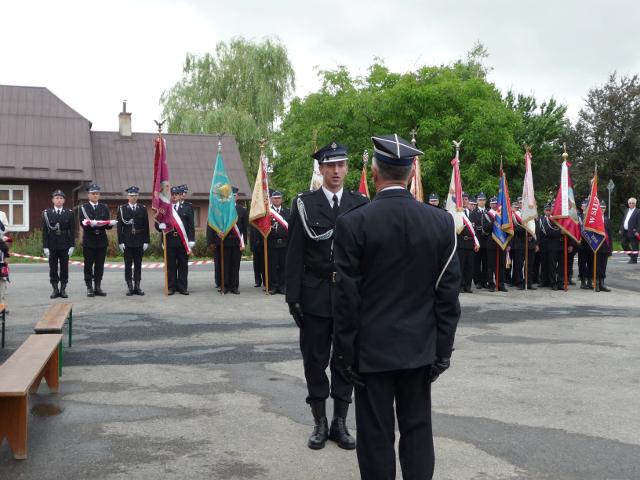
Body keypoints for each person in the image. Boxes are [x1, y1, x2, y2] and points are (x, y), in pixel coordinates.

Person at [333, 134, 461, 480]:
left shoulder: (353, 223)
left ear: (375, 172)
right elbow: (448, 295)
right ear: (411, 174)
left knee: (375, 436)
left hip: (370, 351)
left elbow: (346, 298)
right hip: (419, 349)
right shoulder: (440, 222)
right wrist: (442, 351)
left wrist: (344, 355)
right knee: (417, 430)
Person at [285, 141, 368, 450]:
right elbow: (295, 253)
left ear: (347, 168)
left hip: (349, 295)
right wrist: (293, 297)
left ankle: (340, 422)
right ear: (320, 169)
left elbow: (368, 256)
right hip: (315, 294)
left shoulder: (360, 203)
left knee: (346, 358)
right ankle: (319, 421)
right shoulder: (304, 204)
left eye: (341, 165)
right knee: (315, 360)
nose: (336, 170)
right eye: (330, 165)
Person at [80, 183, 115, 297]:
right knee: (88, 265)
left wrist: (110, 224)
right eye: (93, 193)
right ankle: (89, 287)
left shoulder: (104, 207)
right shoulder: (83, 208)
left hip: (101, 240)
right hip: (89, 240)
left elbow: (107, 226)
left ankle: (98, 287)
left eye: (97, 193)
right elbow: (83, 224)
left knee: (99, 265)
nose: (95, 195)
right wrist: (93, 224)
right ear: (89, 195)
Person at [159, 186, 195, 295]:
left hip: (182, 241)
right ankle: (171, 287)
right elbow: (159, 224)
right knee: (170, 265)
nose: (174, 196)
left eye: (177, 194)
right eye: (173, 194)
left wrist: (191, 240)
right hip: (169, 240)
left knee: (183, 265)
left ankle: (182, 287)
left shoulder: (187, 208)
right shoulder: (166, 208)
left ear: (180, 196)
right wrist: (159, 226)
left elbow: (191, 226)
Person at [42, 190, 75, 298]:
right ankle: (55, 289)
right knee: (53, 268)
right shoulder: (46, 213)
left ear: (64, 200)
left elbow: (72, 230)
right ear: (52, 200)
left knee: (64, 268)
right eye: (56, 198)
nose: (59, 200)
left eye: (61, 198)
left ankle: (63, 289)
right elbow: (45, 231)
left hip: (65, 244)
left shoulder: (69, 213)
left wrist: (72, 245)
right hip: (52, 244)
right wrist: (45, 246)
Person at [117, 186, 150, 296]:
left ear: (138, 196)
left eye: (136, 195)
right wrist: (120, 242)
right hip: (127, 241)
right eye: (132, 195)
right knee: (128, 265)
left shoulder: (142, 208)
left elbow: (146, 226)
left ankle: (137, 286)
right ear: (128, 196)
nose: (134, 197)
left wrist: (146, 241)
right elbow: (119, 227)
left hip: (139, 240)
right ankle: (130, 286)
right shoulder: (122, 209)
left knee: (138, 264)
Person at [510, 197, 538, 290]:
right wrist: (524, 227)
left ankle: (528, 282)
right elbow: (514, 230)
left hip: (531, 243)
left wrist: (536, 242)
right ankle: (520, 283)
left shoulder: (531, 215)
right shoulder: (515, 215)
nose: (522, 204)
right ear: (519, 204)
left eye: (524, 203)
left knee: (530, 265)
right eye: (521, 203)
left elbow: (536, 229)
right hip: (520, 243)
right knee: (519, 265)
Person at [483, 197, 508, 292]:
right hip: (491, 243)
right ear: (490, 204)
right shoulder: (486, 214)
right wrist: (495, 221)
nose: (494, 205)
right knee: (491, 265)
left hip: (502, 242)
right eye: (493, 203)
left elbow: (507, 229)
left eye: (496, 203)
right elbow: (485, 228)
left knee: (502, 265)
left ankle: (501, 284)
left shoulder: (503, 215)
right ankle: (491, 284)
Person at [267, 190, 289, 294]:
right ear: (271, 199)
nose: (277, 200)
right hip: (272, 243)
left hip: (284, 243)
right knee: (272, 266)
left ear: (282, 199)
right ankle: (273, 286)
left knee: (283, 266)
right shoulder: (268, 212)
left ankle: (282, 286)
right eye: (275, 198)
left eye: (279, 198)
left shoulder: (287, 211)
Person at [457, 194, 478, 293]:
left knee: (470, 266)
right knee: (461, 265)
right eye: (463, 199)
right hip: (461, 242)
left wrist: (475, 242)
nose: (465, 201)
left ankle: (468, 285)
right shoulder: (458, 213)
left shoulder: (472, 213)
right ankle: (461, 285)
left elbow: (475, 228)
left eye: (466, 199)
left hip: (470, 243)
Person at [470, 192, 489, 288]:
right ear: (477, 201)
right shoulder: (473, 213)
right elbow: (472, 227)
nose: (482, 201)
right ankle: (477, 281)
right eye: (480, 200)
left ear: (486, 201)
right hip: (478, 241)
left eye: (483, 200)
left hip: (487, 241)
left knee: (486, 262)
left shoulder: (489, 212)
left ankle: (484, 281)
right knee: (476, 262)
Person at [596, 201, 613, 292]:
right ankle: (596, 283)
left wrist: (610, 248)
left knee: (603, 266)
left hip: (605, 246)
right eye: (601, 208)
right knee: (597, 266)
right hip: (597, 246)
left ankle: (602, 283)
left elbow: (610, 235)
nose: (602, 209)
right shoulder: (594, 220)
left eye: (604, 208)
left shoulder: (607, 220)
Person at [577, 198, 594, 289]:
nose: (586, 207)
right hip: (582, 244)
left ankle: (590, 281)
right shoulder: (579, 217)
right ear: (581, 207)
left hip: (591, 244)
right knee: (582, 264)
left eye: (587, 205)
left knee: (591, 264)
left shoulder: (592, 218)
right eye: (584, 205)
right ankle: (583, 281)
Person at [619, 197, 639, 264]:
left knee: (634, 246)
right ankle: (632, 256)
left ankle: (634, 260)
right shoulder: (626, 210)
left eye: (633, 203)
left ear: (635, 204)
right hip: (625, 231)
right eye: (630, 203)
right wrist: (621, 229)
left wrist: (638, 231)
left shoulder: (638, 211)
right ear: (628, 204)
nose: (631, 204)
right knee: (623, 244)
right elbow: (624, 220)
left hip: (634, 232)